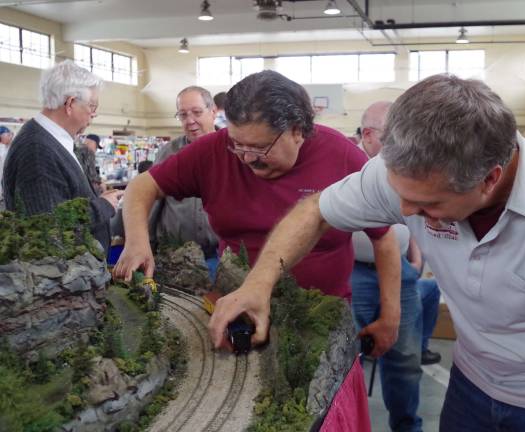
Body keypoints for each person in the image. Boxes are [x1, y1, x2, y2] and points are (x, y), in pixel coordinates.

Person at [209, 74, 525, 432]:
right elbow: (315, 211)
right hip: (471, 390)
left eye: (428, 206)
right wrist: (258, 284)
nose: (404, 213)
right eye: (400, 194)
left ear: (489, 179)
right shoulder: (405, 174)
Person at [112, 71, 402, 430]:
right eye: (238, 144)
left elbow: (383, 238)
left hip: (320, 316)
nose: (247, 158)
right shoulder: (214, 150)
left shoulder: (341, 156)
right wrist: (137, 241)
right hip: (237, 310)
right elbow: (144, 184)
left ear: (299, 130)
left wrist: (390, 315)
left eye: (260, 147)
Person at [351, 100, 440, 431]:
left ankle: (407, 426)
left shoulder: (405, 165)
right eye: (396, 136)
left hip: (400, 271)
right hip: (355, 271)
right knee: (347, 360)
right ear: (371, 135)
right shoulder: (348, 165)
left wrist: (415, 258)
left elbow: (414, 212)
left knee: (405, 360)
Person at [2, 60, 122, 254]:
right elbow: (47, 225)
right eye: (92, 106)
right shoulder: (37, 150)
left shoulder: (49, 140)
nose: (94, 115)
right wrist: (102, 206)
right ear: (70, 103)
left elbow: (61, 202)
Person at [149, 86, 220, 279]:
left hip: (222, 257)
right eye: (182, 115)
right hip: (175, 257)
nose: (190, 121)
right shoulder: (168, 153)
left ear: (213, 112)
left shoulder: (233, 150)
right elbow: (152, 202)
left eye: (197, 113)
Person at [0, 125, 13, 210]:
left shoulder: (16, 145)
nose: (1, 141)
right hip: (5, 180)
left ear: (8, 134)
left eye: (1, 138)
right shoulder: (4, 148)